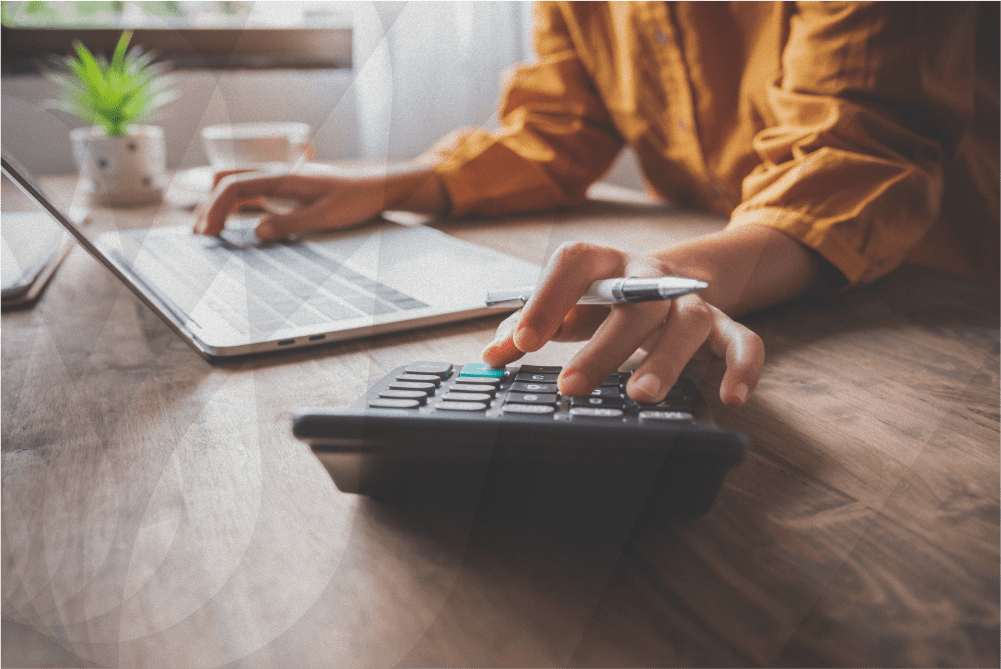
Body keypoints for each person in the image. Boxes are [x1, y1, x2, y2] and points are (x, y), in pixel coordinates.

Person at [195, 2, 998, 407]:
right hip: (760, 276)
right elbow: (559, 124)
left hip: (947, 307)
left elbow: (857, 149)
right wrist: (396, 180)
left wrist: (676, 274)